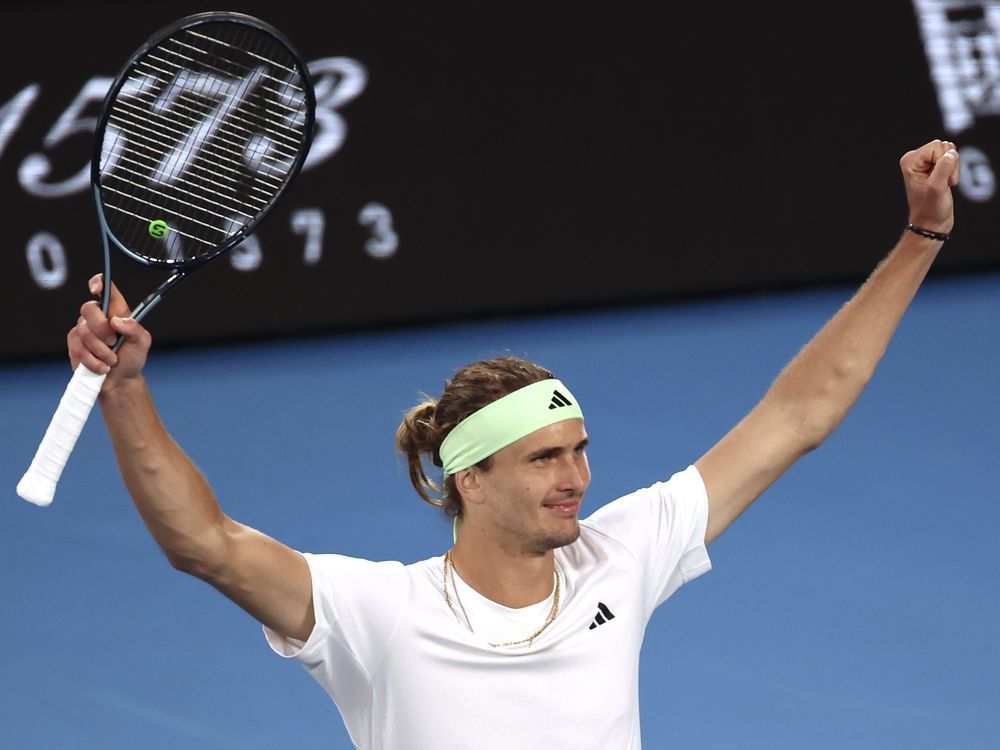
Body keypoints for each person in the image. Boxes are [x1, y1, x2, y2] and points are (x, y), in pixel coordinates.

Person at [68, 139, 960, 748]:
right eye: (543, 458)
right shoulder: (375, 614)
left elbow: (796, 416)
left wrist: (922, 238)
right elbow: (204, 543)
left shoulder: (623, 556)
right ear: (470, 481)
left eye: (578, 450)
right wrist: (130, 395)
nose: (576, 478)